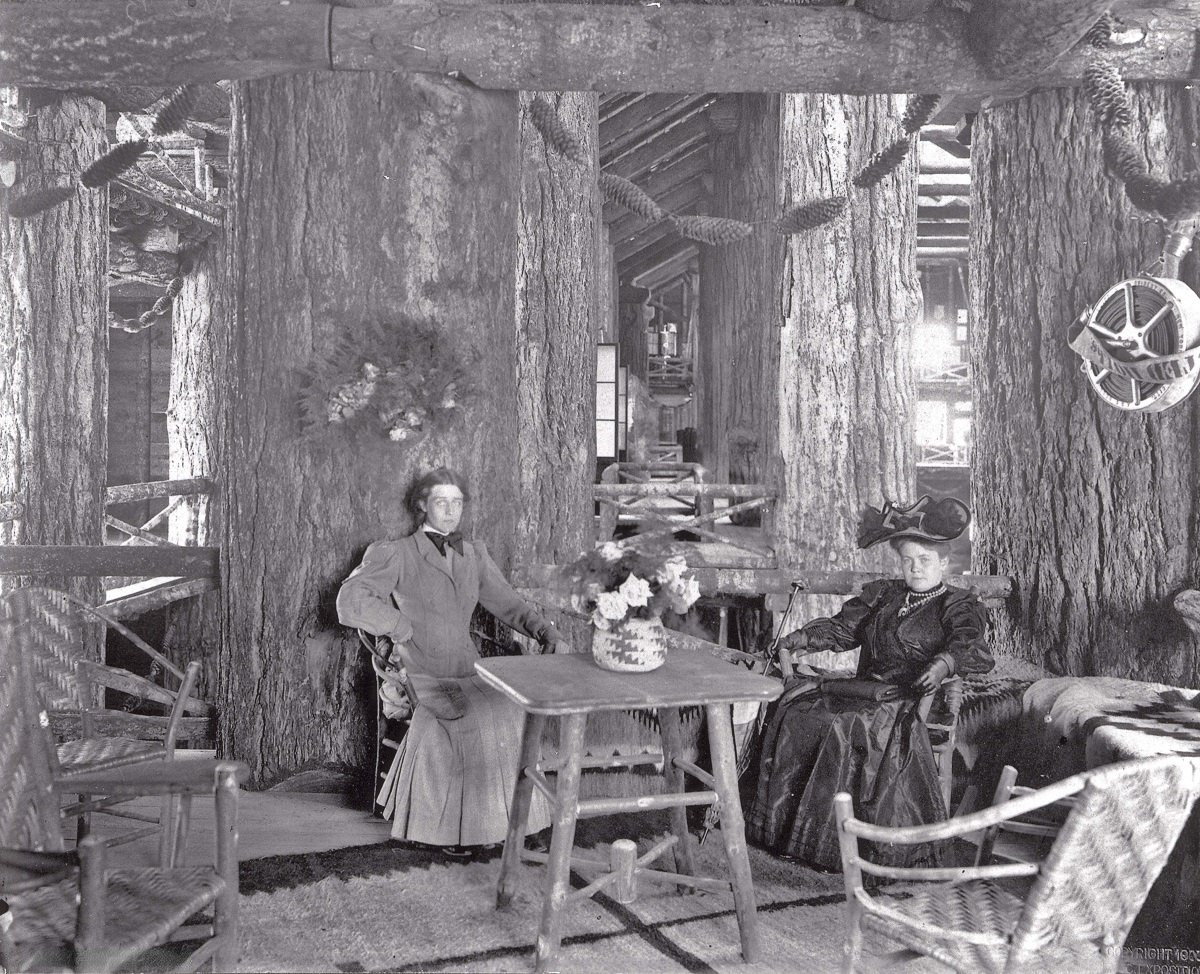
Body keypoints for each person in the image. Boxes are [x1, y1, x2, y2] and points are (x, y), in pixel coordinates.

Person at [747, 495, 994, 870]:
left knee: (846, 727)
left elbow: (969, 645)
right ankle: (791, 835)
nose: (915, 569)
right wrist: (799, 639)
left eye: (925, 561)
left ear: (944, 562)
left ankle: (844, 846)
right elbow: (843, 630)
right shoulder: (885, 594)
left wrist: (943, 664)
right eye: (908, 561)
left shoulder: (959, 605)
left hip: (914, 701)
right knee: (797, 708)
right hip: (866, 692)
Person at [337, 466, 568, 857]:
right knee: (471, 718)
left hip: (469, 667)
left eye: (456, 502)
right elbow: (349, 602)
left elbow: (507, 602)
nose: (449, 511)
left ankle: (516, 822)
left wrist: (546, 632)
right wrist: (397, 624)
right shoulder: (396, 553)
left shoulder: (472, 554)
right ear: (422, 506)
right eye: (440, 502)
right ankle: (454, 831)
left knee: (513, 708)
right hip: (421, 669)